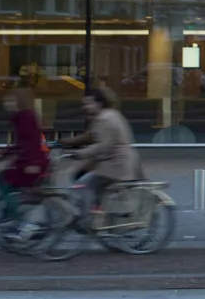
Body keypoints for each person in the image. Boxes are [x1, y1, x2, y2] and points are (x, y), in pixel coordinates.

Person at [56, 85, 143, 220]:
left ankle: (90, 218)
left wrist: (81, 153)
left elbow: (104, 145)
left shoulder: (105, 119)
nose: (85, 107)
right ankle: (96, 212)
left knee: (83, 185)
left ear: (99, 103)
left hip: (114, 164)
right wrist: (64, 142)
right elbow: (90, 136)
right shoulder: (110, 114)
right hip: (118, 161)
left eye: (89, 103)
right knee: (89, 181)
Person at [0, 87, 50, 223]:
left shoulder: (25, 117)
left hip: (31, 163)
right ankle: (12, 211)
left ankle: (13, 215)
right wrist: (2, 155)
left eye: (10, 101)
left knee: (1, 179)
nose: (6, 104)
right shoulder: (23, 116)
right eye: (5, 101)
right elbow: (21, 143)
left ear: (19, 101)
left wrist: (33, 163)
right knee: (8, 182)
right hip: (30, 162)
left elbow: (30, 142)